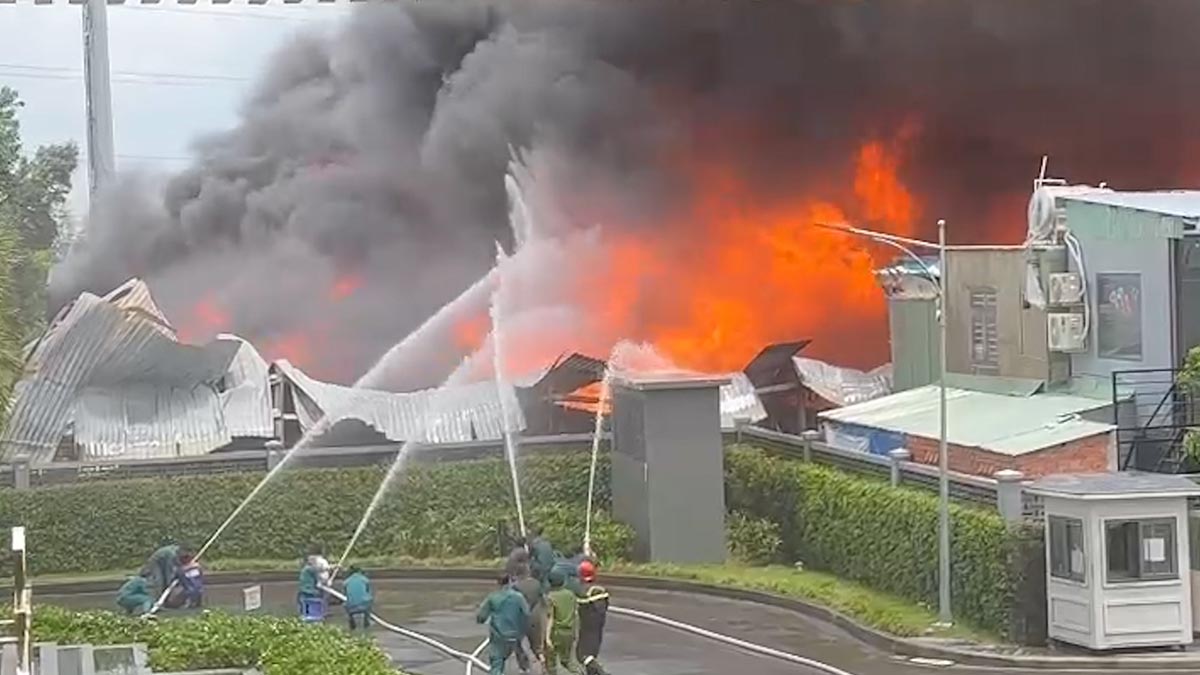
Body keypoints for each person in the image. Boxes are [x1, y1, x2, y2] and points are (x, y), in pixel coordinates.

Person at [476, 574, 530, 675]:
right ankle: (525, 669)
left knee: (497, 661)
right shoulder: (519, 597)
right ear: (509, 582)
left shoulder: (492, 597)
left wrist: (482, 620)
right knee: (520, 653)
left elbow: (481, 617)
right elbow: (526, 613)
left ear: (498, 583)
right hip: (515, 634)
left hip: (498, 635)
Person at [575, 560, 610, 675]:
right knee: (592, 653)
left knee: (582, 654)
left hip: (587, 626)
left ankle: (600, 672)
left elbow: (580, 608)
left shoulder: (584, 591)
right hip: (599, 624)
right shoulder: (601, 590)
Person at [546, 570, 581, 674]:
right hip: (569, 632)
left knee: (551, 663)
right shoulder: (571, 595)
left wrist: (547, 637)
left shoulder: (550, 597)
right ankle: (578, 673)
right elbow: (575, 614)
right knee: (567, 661)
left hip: (556, 632)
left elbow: (550, 618)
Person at [512, 567, 547, 671]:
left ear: (517, 575)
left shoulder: (516, 586)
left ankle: (524, 667)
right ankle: (542, 661)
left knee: (517, 643)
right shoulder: (536, 584)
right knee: (536, 645)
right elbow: (543, 600)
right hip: (536, 617)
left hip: (521, 618)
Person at [297, 547, 328, 622]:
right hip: (310, 591)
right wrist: (333, 567)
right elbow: (319, 570)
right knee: (322, 597)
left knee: (303, 602)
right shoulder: (309, 569)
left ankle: (305, 614)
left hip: (304, 591)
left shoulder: (305, 569)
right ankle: (319, 614)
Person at [343, 565, 374, 632]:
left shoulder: (346, 582)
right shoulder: (365, 580)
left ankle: (351, 622)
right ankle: (367, 621)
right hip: (364, 606)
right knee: (369, 599)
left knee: (345, 603)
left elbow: (345, 594)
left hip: (351, 607)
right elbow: (369, 592)